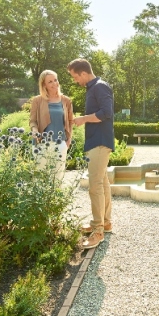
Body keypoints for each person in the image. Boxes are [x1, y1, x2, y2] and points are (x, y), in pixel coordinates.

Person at [68, 58, 114, 249]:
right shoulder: (93, 88)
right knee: (102, 183)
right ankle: (105, 222)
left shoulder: (100, 87)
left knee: (95, 186)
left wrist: (82, 119)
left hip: (100, 142)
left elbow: (107, 112)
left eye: (75, 77)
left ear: (84, 73)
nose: (75, 81)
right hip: (96, 141)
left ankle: (97, 231)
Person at [29, 70, 74, 182]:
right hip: (41, 144)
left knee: (57, 177)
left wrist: (69, 139)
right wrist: (34, 131)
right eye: (50, 82)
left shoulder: (66, 100)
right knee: (40, 178)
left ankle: (57, 200)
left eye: (55, 80)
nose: (55, 83)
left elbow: (70, 121)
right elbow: (32, 121)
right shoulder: (37, 100)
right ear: (44, 85)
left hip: (60, 144)